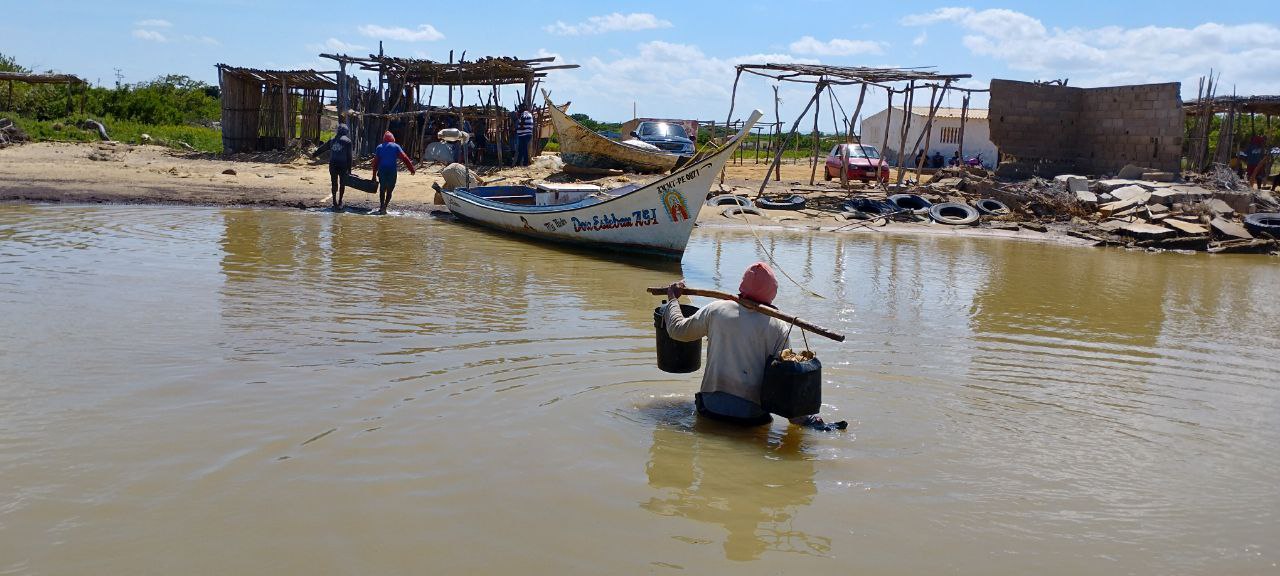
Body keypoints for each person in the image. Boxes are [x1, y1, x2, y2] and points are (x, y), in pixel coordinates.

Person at [662, 262, 842, 431]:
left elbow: (678, 330)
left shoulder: (716, 310)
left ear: (742, 286)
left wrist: (672, 300)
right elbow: (786, 383)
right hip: (752, 419)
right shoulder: (778, 326)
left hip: (710, 410)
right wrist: (805, 420)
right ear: (772, 293)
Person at [372, 131, 415, 215]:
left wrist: (374, 176)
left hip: (382, 171)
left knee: (382, 189)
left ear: (384, 139)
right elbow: (405, 158)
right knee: (389, 191)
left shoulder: (379, 147)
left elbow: (375, 162)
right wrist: (411, 169)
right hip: (392, 171)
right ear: (392, 139)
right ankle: (385, 206)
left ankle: (381, 207)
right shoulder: (396, 146)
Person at [311, 123, 353, 209]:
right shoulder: (348, 141)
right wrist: (349, 169)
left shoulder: (332, 140)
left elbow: (322, 148)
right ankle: (340, 201)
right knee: (342, 183)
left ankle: (334, 201)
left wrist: (314, 154)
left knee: (334, 183)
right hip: (343, 165)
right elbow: (349, 157)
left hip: (333, 165)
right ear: (346, 132)